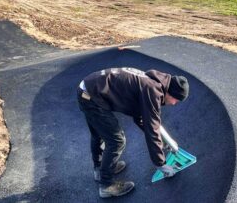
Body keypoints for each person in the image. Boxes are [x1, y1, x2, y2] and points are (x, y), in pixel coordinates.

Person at [77, 67, 189, 198]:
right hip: (92, 97)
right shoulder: (152, 90)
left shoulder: (153, 83)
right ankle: (106, 185)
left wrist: (164, 140)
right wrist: (161, 164)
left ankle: (100, 169)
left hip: (88, 89)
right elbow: (152, 129)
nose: (175, 103)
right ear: (170, 92)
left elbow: (141, 119)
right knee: (117, 141)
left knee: (100, 134)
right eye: (176, 99)